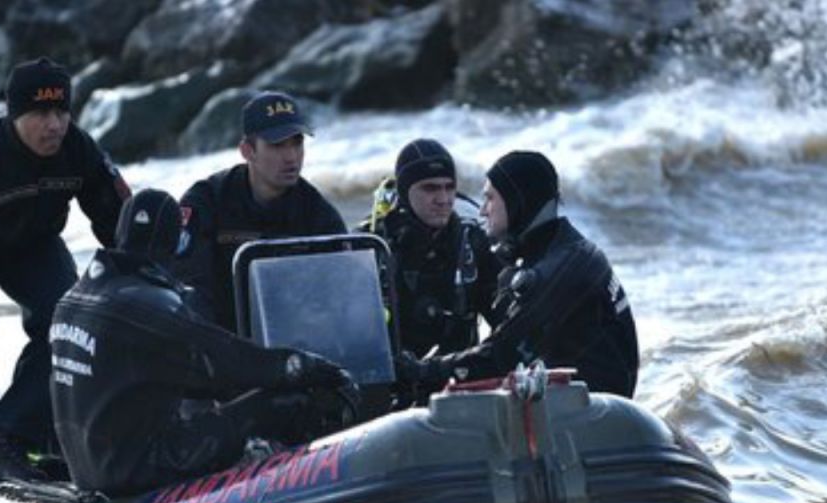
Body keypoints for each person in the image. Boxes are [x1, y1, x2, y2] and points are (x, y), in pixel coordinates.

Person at [50, 189, 354, 498]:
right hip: (139, 470)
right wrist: (305, 367)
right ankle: (318, 487)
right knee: (286, 401)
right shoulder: (150, 307)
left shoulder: (72, 299)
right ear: (174, 240)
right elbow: (231, 365)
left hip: (92, 470)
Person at [0, 57, 131, 484]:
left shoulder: (78, 148)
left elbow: (121, 223)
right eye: (41, 114)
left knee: (67, 322)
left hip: (33, 245)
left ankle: (13, 441)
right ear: (14, 115)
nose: (54, 125)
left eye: (62, 112)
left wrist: (148, 288)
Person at [398, 150, 639, 398]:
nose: (482, 211)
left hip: (593, 408)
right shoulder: (562, 248)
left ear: (517, 201)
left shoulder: (555, 271)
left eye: (490, 198)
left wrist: (420, 370)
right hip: (583, 397)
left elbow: (499, 356)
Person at [173, 90, 346, 331]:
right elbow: (187, 288)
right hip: (221, 338)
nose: (291, 157)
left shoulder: (318, 213)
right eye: (277, 145)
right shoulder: (205, 201)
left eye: (297, 143)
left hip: (297, 337)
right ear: (248, 151)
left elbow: (341, 292)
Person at [360, 139, 501, 359]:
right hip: (390, 373)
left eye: (449, 187)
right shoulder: (371, 246)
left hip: (459, 373)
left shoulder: (472, 241)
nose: (443, 199)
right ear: (405, 190)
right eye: (430, 188)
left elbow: (505, 320)